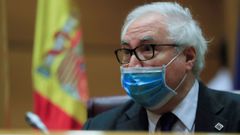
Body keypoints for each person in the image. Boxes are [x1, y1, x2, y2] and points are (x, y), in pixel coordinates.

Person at [83, 2, 240, 133]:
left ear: (188, 56)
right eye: (127, 51)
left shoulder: (236, 115)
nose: (132, 64)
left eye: (148, 49)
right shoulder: (100, 128)